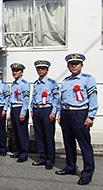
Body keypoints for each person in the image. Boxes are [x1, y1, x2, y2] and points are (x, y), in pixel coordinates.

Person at [55, 53, 98, 185]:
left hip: (80, 113)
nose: (74, 66)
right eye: (71, 64)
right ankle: (70, 166)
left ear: (81, 65)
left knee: (84, 144)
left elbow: (93, 99)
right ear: (68, 66)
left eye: (76, 64)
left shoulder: (88, 79)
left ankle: (87, 172)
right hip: (66, 114)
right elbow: (60, 100)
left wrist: (91, 116)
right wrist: (59, 114)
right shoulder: (66, 81)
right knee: (68, 143)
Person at [30, 60, 59, 170]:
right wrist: (32, 110)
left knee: (48, 135)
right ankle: (42, 157)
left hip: (47, 110)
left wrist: (54, 112)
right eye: (38, 68)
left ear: (47, 70)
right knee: (39, 135)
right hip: (37, 110)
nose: (40, 70)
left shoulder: (52, 83)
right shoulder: (36, 83)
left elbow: (57, 98)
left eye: (43, 68)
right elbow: (33, 98)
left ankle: (50, 160)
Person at [9, 63, 30, 163]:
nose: (15, 72)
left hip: (21, 108)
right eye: (13, 71)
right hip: (14, 109)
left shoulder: (24, 84)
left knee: (22, 133)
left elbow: (26, 100)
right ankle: (18, 150)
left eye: (17, 71)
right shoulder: (13, 84)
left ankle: (24, 154)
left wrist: (23, 113)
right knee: (16, 132)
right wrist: (10, 111)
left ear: (21, 72)